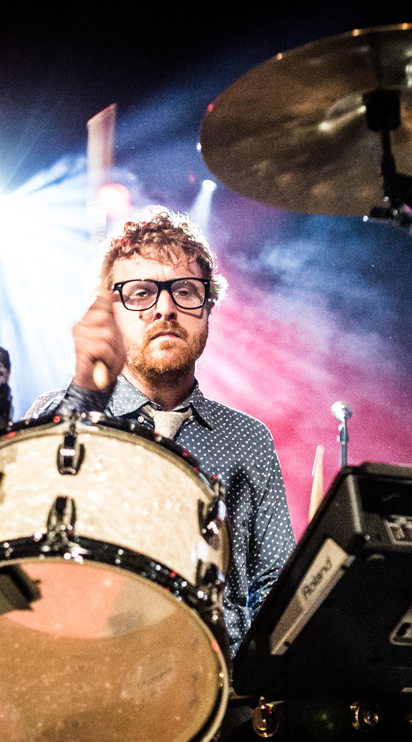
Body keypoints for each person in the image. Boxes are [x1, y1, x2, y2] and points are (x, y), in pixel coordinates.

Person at [25, 206, 295, 654]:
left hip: (218, 689)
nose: (165, 308)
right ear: (110, 311)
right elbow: (20, 540)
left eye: (186, 291)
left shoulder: (249, 439)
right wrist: (86, 395)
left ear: (208, 308)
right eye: (141, 293)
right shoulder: (61, 411)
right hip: (87, 669)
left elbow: (276, 585)